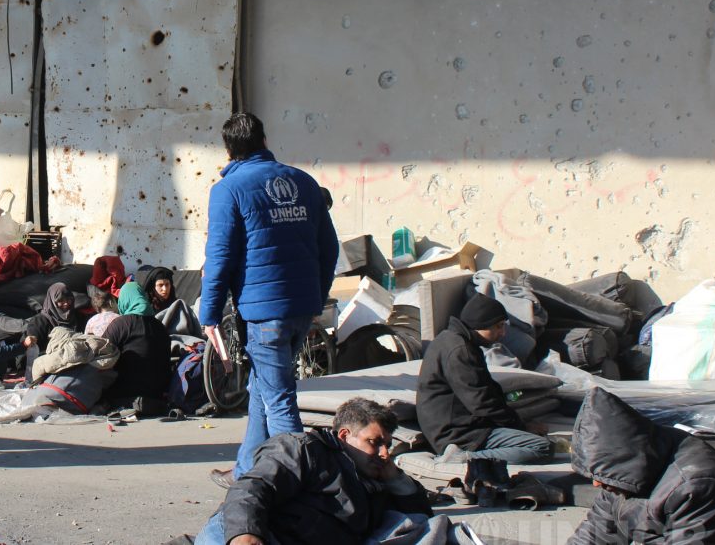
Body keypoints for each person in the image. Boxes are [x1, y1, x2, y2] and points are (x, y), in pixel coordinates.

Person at [199, 112, 339, 486]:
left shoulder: (228, 190)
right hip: (300, 308)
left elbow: (220, 258)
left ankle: (301, 486)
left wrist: (208, 313)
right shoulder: (304, 183)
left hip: (264, 316)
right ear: (263, 140)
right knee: (263, 387)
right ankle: (249, 470)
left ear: (228, 150)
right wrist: (316, 298)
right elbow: (329, 248)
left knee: (279, 400)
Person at [195, 398, 431, 545]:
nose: (384, 453)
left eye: (388, 445)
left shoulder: (376, 484)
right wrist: (244, 535)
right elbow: (252, 488)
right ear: (345, 436)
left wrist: (396, 480)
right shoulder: (304, 449)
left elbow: (421, 522)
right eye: (375, 442)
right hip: (244, 533)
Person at [567, 387, 715, 545]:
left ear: (626, 459)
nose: (596, 485)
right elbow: (598, 532)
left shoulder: (697, 485)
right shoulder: (620, 474)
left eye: (599, 477)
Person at [416, 293, 553, 464]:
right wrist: (523, 427)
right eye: (498, 326)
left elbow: (486, 393)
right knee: (542, 447)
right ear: (480, 325)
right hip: (459, 434)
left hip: (460, 425)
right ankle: (464, 458)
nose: (502, 333)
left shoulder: (453, 340)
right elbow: (483, 403)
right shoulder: (460, 351)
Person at [100, 311, 172, 414]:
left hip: (123, 396)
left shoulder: (121, 323)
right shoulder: (159, 325)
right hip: (157, 396)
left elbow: (101, 353)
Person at [21, 283, 84, 382]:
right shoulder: (40, 321)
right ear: (53, 302)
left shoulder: (78, 317)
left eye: (69, 299)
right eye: (60, 301)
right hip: (49, 367)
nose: (66, 303)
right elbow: (31, 350)